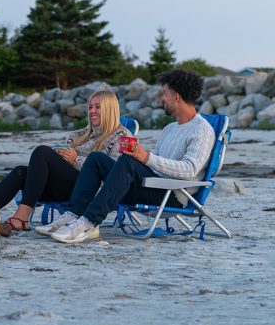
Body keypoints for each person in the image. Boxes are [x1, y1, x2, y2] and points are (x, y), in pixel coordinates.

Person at [36, 69, 215, 243]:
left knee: (128, 161)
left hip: (172, 195)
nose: (162, 98)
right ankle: (73, 214)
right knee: (97, 158)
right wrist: (139, 155)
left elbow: (190, 170)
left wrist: (145, 157)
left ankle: (89, 222)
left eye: (164, 93)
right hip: (152, 184)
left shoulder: (202, 129)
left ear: (176, 97)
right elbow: (155, 160)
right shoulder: (170, 128)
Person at [0, 90, 134, 235]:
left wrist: (75, 160)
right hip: (65, 188)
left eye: (98, 107)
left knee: (42, 152)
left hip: (89, 192)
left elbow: (116, 174)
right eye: (90, 107)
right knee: (21, 171)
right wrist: (62, 157)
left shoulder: (122, 136)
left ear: (110, 109)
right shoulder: (79, 135)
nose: (92, 111)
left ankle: (21, 218)